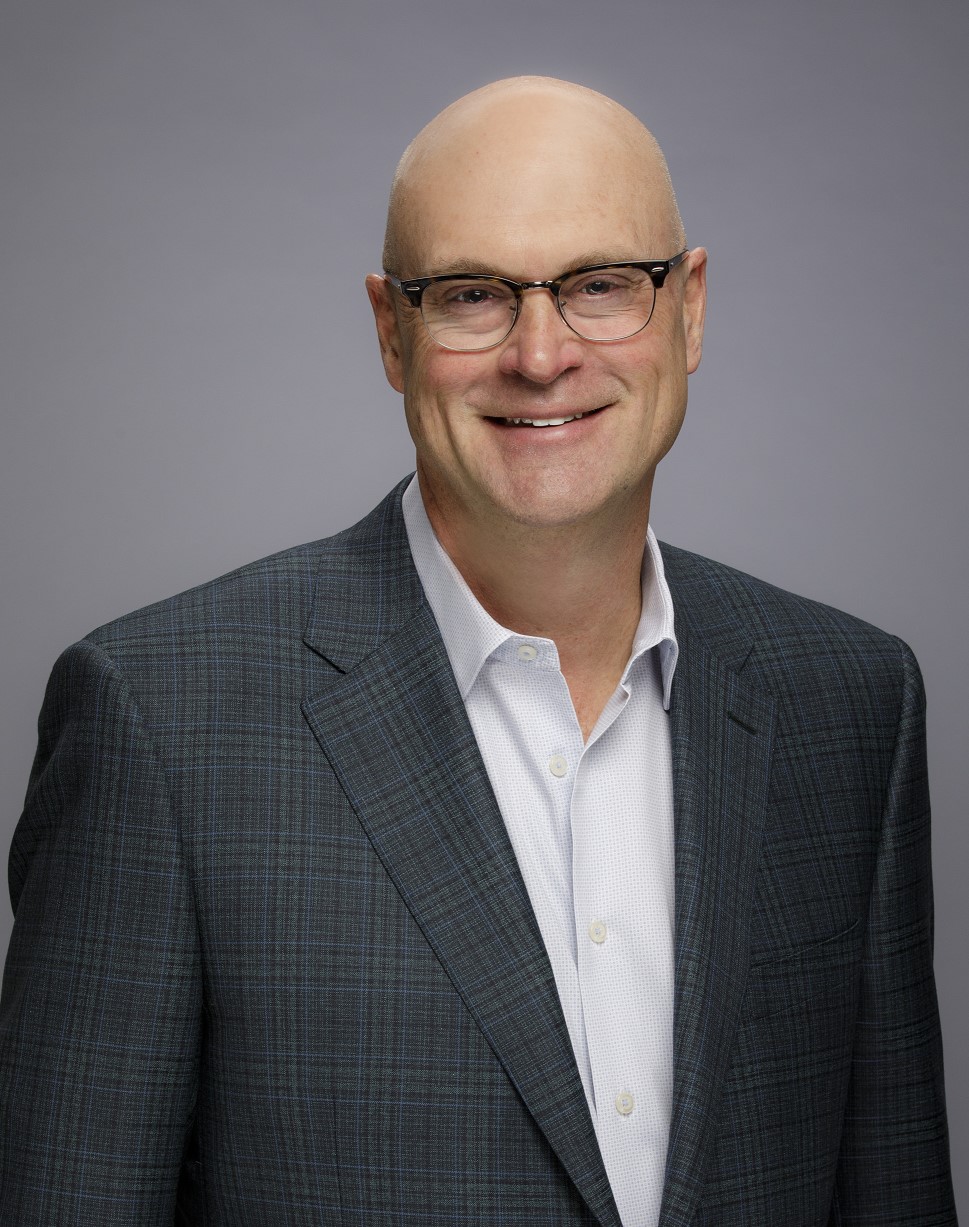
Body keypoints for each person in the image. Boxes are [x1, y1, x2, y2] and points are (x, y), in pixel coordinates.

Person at [0, 76, 955, 1226]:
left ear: (690, 309)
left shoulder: (849, 706)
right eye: (471, 295)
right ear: (391, 333)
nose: (541, 355)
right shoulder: (162, 722)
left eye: (602, 284)